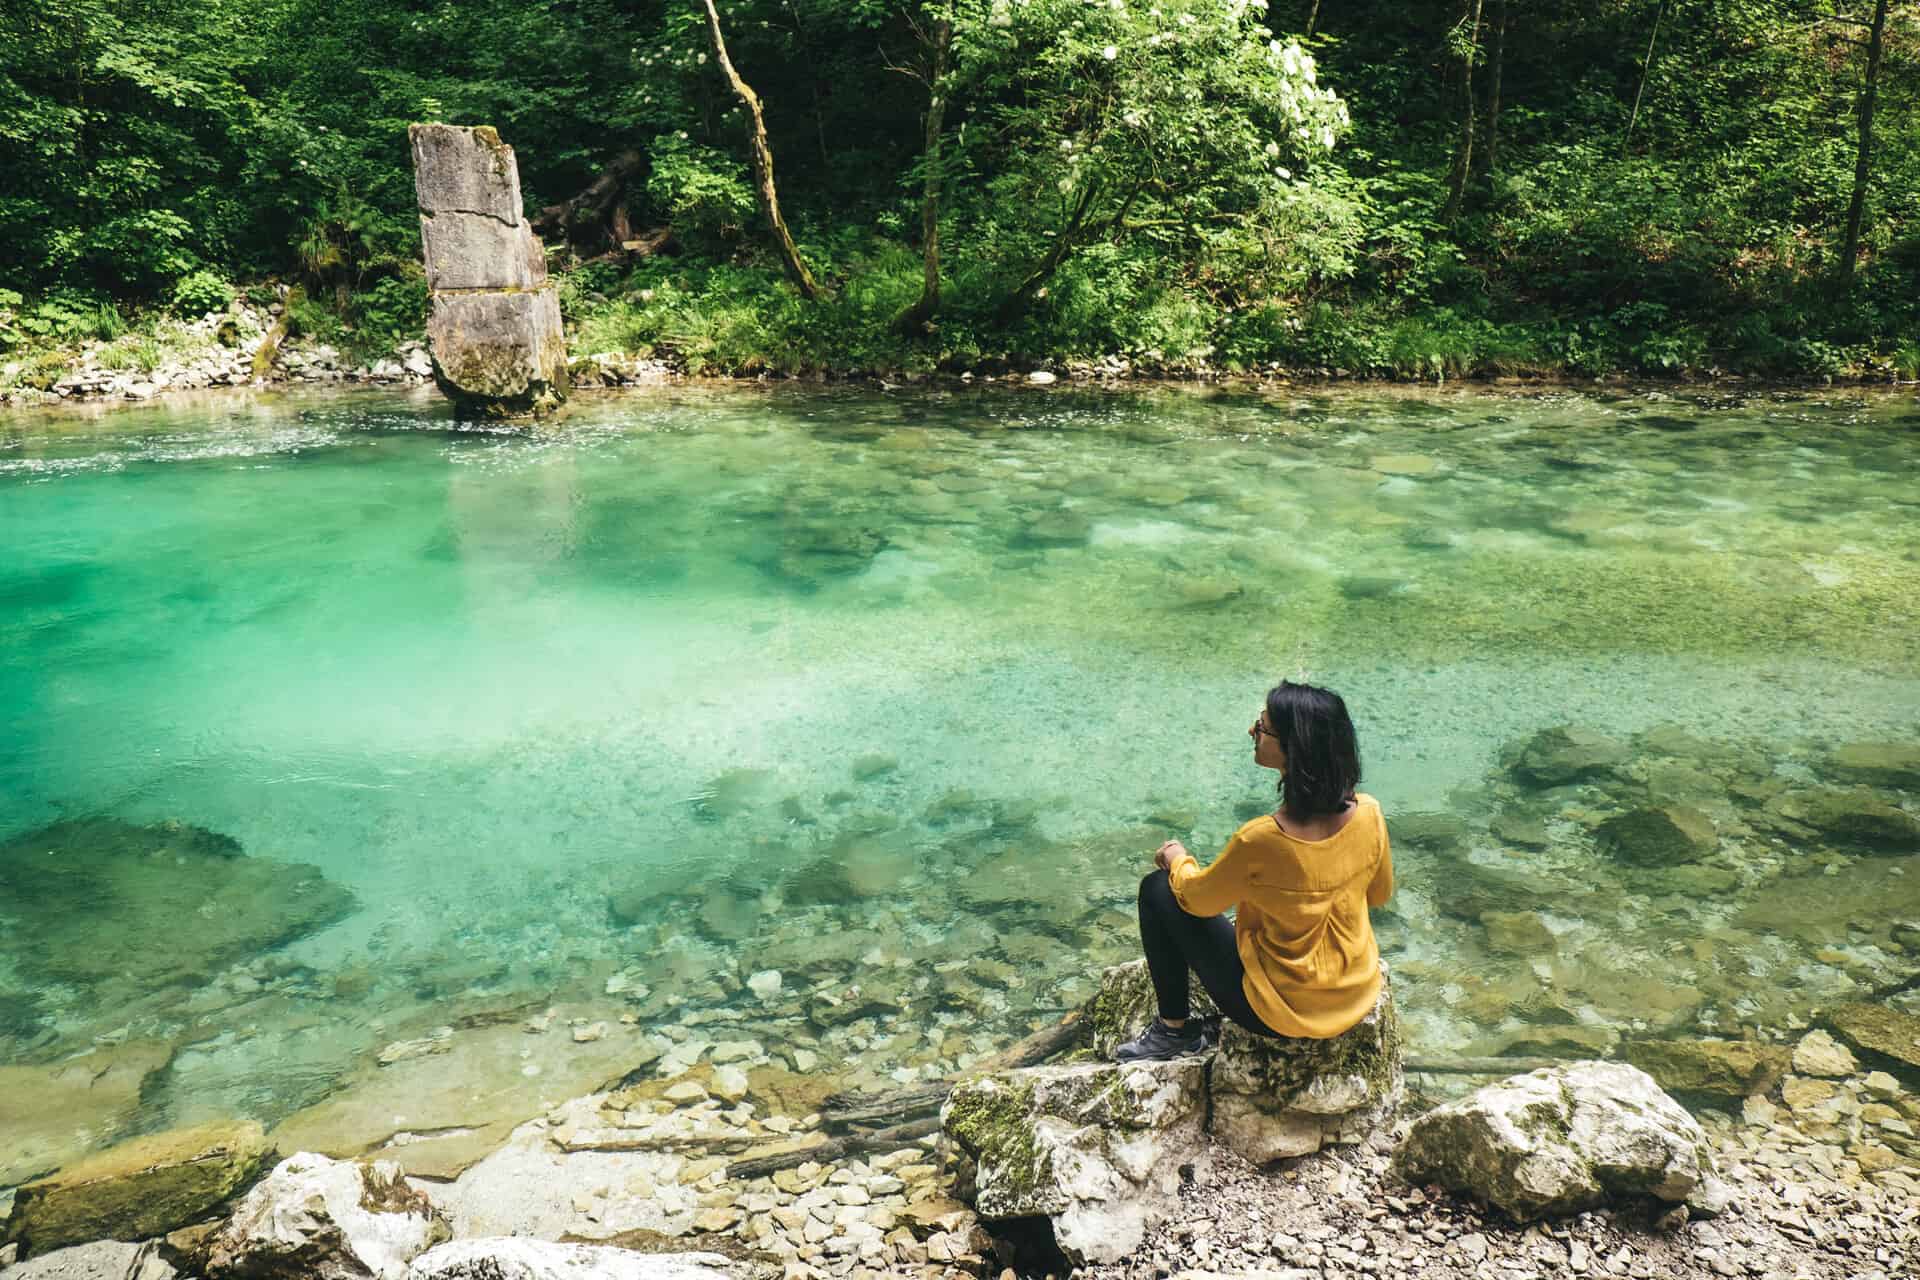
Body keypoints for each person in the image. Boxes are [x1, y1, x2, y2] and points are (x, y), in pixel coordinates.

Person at [1114, 680, 1393, 1061]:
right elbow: (1378, 894)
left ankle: (1173, 1031)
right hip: (1355, 995)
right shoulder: (1370, 814)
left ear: (1294, 748)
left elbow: (1197, 901)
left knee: (1159, 889)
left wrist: (1178, 859)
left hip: (1280, 1013)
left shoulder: (1261, 839)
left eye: (1262, 727)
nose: (1252, 730)